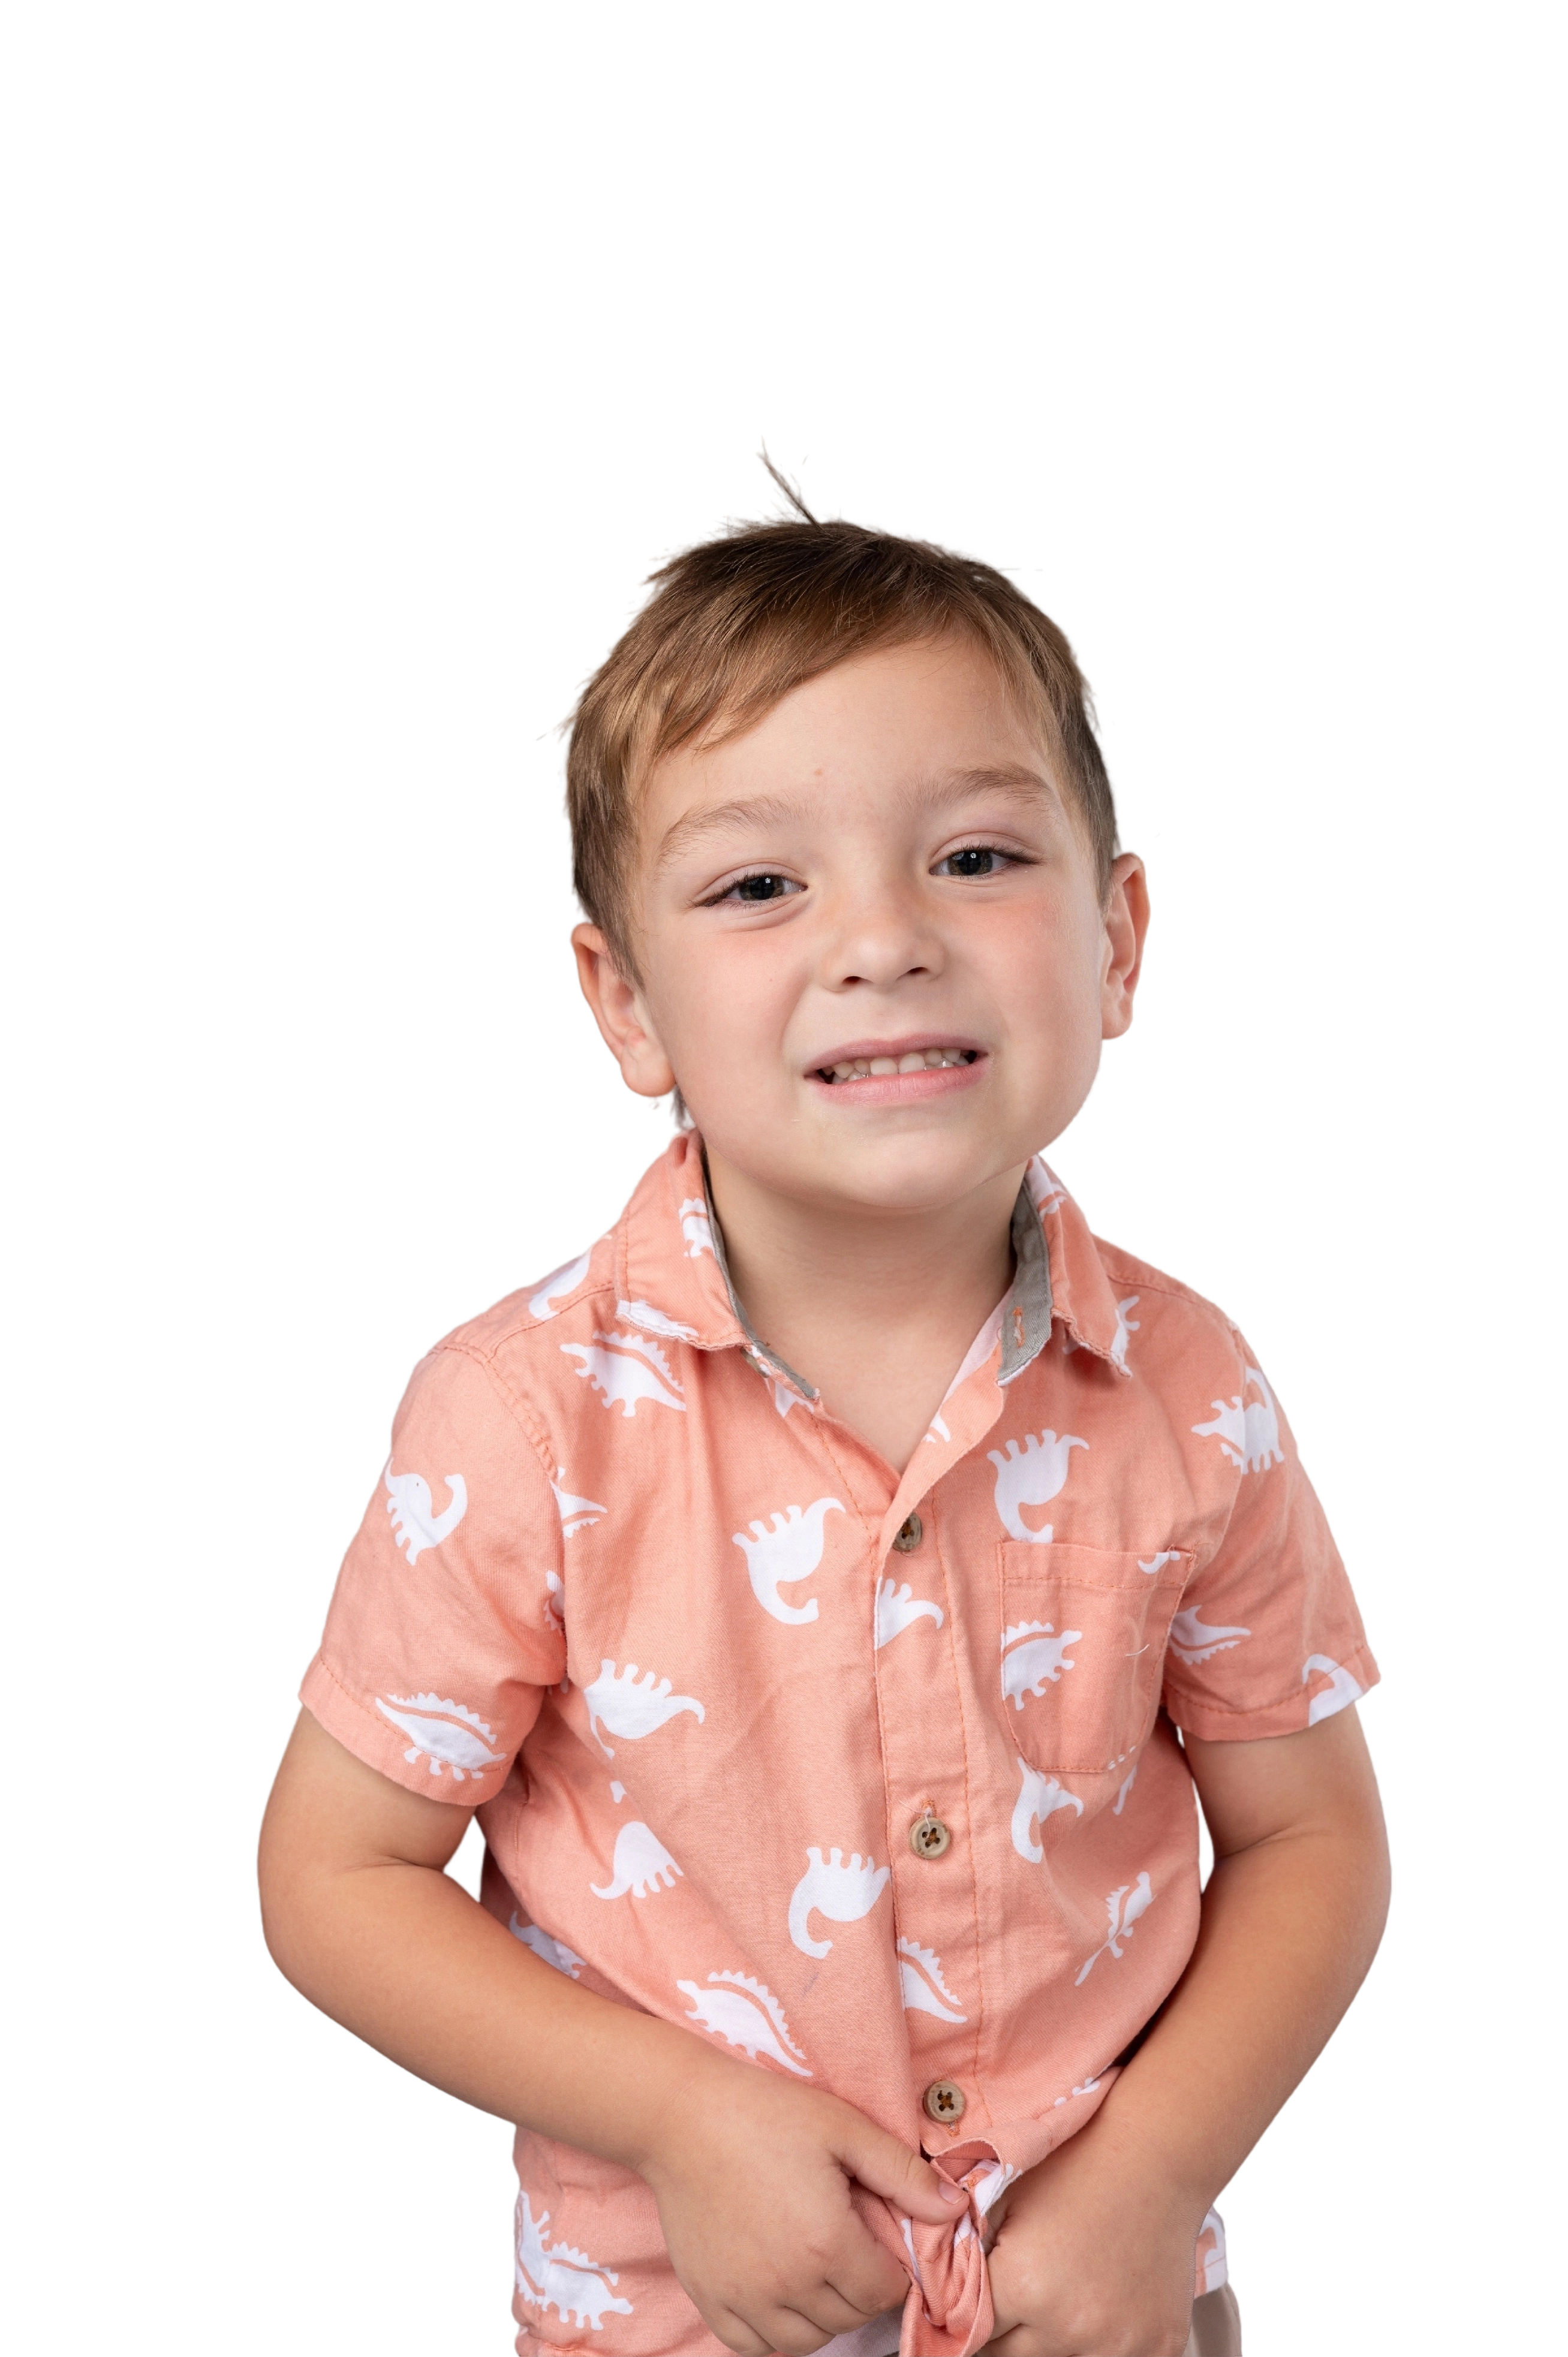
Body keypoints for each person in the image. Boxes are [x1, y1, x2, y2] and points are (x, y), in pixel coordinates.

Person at [255, 456, 1394, 2357]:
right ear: (626, 1005)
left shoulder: (1190, 1387)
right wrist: (674, 2115)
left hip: (1101, 2307)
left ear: (1117, 940)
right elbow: (335, 1877)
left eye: (975, 857)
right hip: (680, 2319)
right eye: (760, 884)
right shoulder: (516, 1418)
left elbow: (1314, 1844)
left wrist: (1152, 2178)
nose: (881, 938)